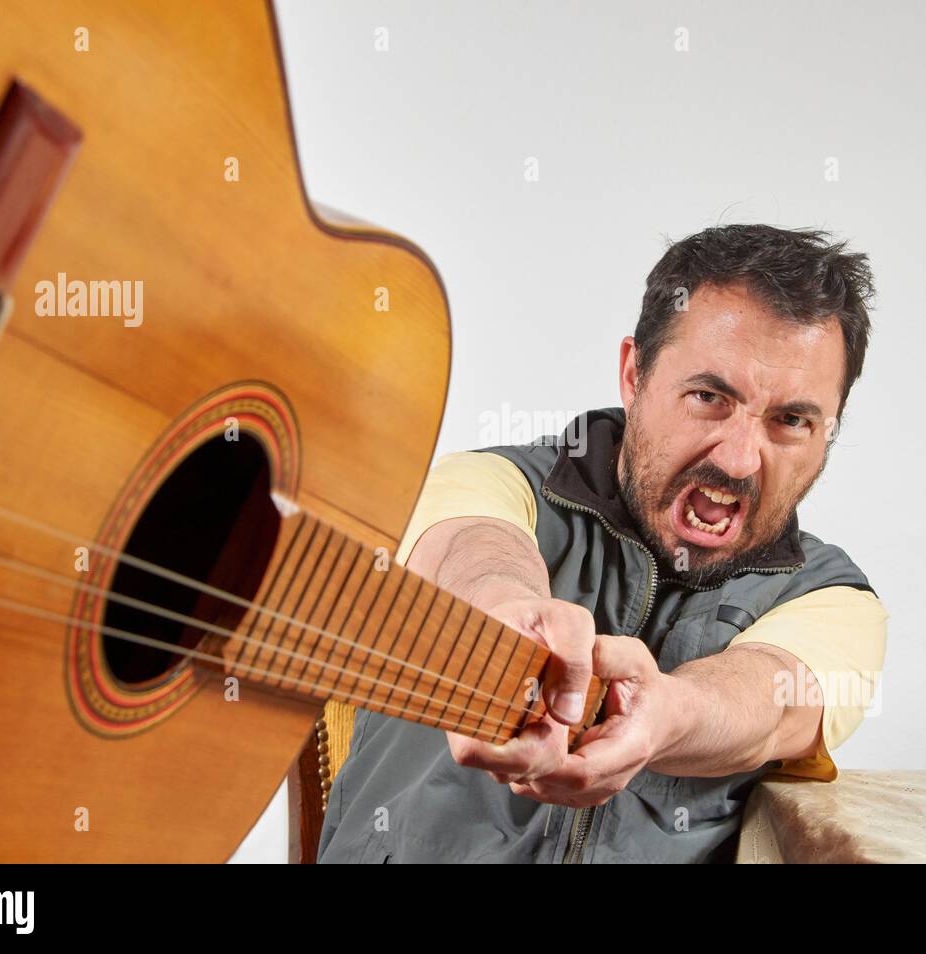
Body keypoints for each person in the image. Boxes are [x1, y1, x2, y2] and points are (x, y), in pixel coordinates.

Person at [317, 223, 889, 863]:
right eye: (708, 396)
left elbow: (769, 699)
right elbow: (468, 550)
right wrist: (508, 618)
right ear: (634, 374)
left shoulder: (834, 598)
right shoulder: (491, 481)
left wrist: (667, 713)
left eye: (791, 420)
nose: (739, 460)